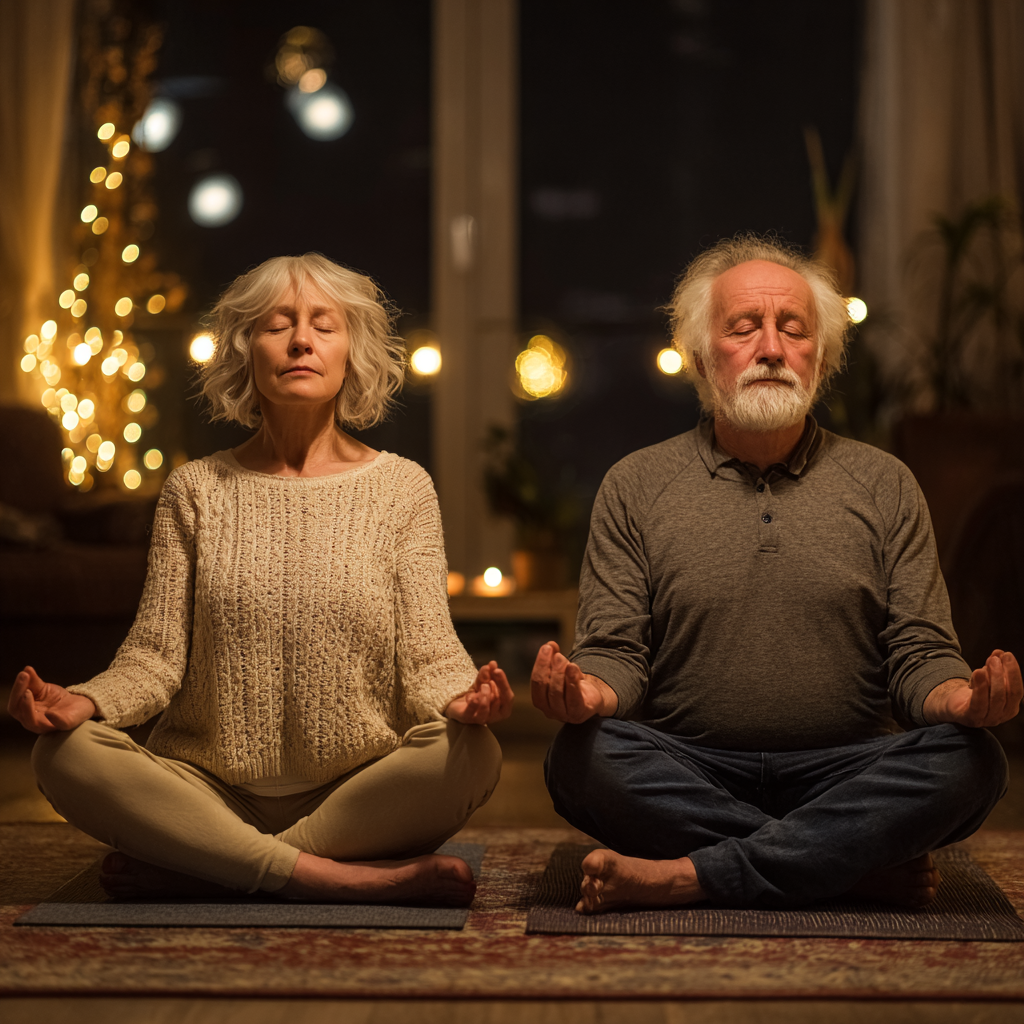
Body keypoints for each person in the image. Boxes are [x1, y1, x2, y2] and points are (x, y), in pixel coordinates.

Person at [532, 235, 1021, 913]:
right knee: (579, 759)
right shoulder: (635, 484)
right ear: (703, 355)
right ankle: (843, 866)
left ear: (819, 357)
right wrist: (587, 694)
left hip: (847, 773)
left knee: (974, 762)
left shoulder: (886, 484)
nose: (770, 347)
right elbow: (617, 653)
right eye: (744, 328)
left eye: (793, 330)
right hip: (690, 767)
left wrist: (961, 701)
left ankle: (694, 875)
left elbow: (920, 655)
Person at [10, 253, 511, 906]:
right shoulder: (195, 490)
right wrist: (85, 701)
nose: (302, 339)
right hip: (206, 789)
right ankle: (330, 877)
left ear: (351, 351)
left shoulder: (402, 489)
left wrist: (466, 699)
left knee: (475, 752)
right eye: (279, 325)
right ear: (246, 351)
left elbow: (428, 655)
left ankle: (205, 864)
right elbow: (155, 657)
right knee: (61, 756)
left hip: (356, 789)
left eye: (323, 325)